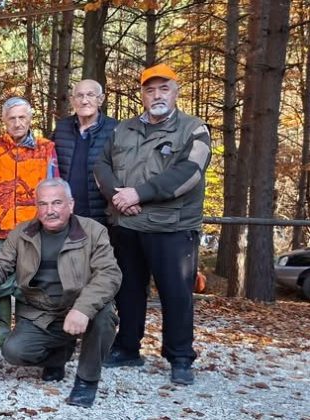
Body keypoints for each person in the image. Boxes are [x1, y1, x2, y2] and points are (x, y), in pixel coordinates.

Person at [94, 63, 211, 385]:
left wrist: (138, 195)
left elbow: (189, 173)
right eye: (150, 89)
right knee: (129, 291)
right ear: (142, 94)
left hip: (171, 228)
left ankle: (180, 357)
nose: (156, 95)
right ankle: (127, 348)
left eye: (163, 88)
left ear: (175, 91)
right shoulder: (123, 129)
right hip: (126, 226)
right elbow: (102, 164)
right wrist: (117, 196)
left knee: (176, 294)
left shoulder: (193, 129)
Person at [0, 179, 121, 407]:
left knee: (104, 317)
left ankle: (86, 380)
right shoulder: (22, 233)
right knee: (13, 351)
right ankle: (58, 356)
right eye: (43, 204)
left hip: (79, 306)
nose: (50, 210)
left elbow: (109, 274)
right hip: (41, 311)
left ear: (71, 204)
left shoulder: (93, 231)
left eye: (57, 203)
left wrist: (82, 308)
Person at [0, 96, 59, 348]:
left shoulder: (46, 148)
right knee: (0, 281)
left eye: (22, 117)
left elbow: (54, 187)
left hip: (32, 230)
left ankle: (27, 330)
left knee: (30, 280)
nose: (17, 123)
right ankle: (2, 329)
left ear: (30, 119)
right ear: (4, 120)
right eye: (12, 118)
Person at [51, 79, 118, 225]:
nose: (84, 101)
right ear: (72, 100)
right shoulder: (61, 129)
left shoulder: (115, 129)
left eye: (90, 95)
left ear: (101, 99)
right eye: (79, 96)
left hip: (102, 216)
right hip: (66, 214)